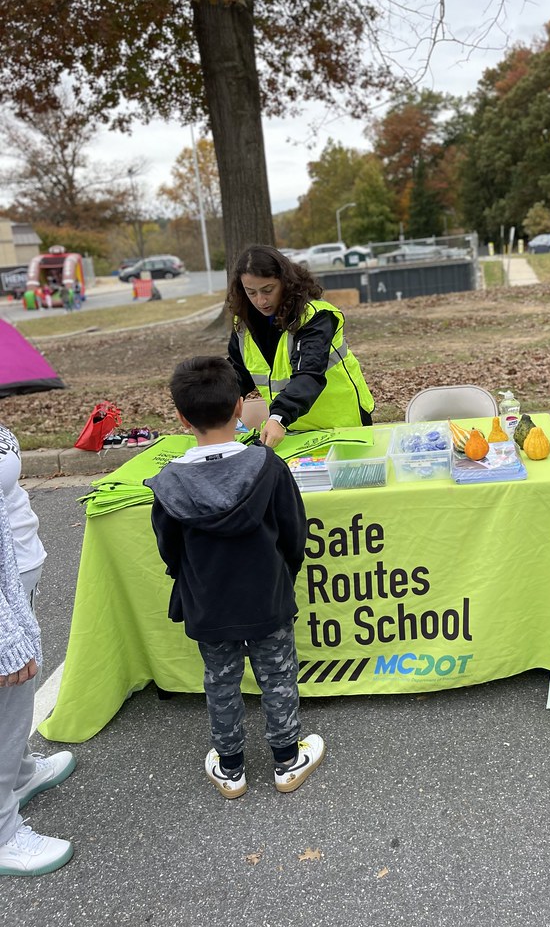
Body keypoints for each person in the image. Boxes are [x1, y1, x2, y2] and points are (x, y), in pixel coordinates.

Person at [145, 356, 324, 799]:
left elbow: (169, 547)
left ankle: (231, 768)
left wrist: (190, 577)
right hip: (266, 593)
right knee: (278, 675)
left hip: (209, 600)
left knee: (220, 680)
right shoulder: (268, 466)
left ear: (182, 418)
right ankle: (286, 761)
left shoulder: (170, 484)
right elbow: (293, 531)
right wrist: (283, 571)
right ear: (240, 410)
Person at [0, 425, 76, 877]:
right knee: (6, 703)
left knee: (18, 702)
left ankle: (20, 772)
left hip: (17, 572)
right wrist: (5, 632)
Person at [226, 245, 374, 449]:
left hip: (341, 425)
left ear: (285, 282)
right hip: (291, 430)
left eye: (268, 290)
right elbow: (238, 373)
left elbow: (308, 373)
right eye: (251, 292)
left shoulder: (317, 316)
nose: (260, 300)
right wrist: (220, 404)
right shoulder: (243, 324)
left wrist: (278, 416)